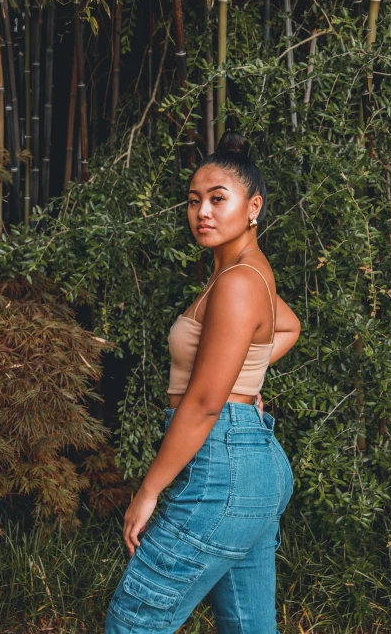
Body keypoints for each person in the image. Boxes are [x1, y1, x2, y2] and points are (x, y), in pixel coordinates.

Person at [105, 130, 301, 633]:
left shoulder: (237, 283)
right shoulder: (243, 274)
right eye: (194, 201)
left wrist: (148, 490)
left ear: (253, 206)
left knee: (135, 620)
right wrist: (245, 376)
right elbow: (289, 326)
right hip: (251, 461)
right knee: (249, 626)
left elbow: (205, 403)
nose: (202, 212)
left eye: (218, 199)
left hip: (224, 467)